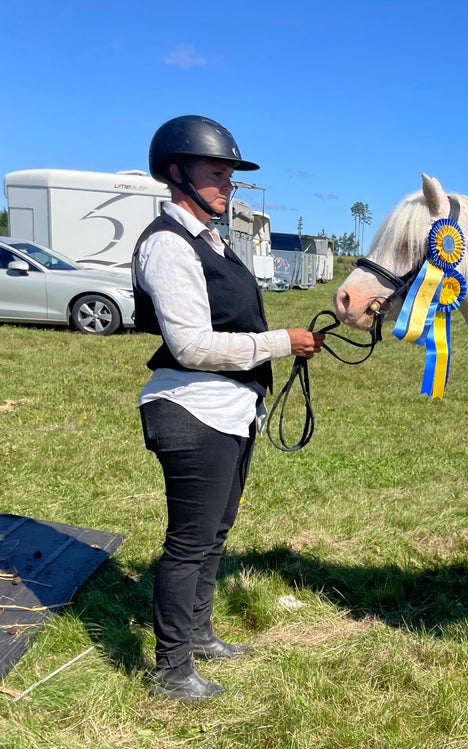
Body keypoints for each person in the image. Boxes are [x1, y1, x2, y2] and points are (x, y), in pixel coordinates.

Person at [133, 115, 324, 701]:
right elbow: (191, 344)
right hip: (192, 409)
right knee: (189, 542)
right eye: (216, 174)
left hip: (228, 407)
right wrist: (279, 343)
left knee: (214, 532)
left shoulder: (211, 240)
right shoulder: (168, 244)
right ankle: (170, 669)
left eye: (230, 176)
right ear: (177, 173)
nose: (227, 186)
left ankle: (198, 633)